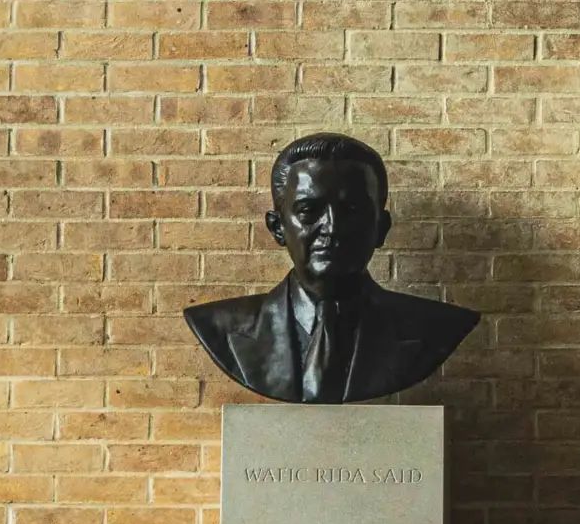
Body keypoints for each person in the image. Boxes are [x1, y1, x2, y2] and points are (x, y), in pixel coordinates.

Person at [183, 133, 480, 404]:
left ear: (381, 228)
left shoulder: (435, 327)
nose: (333, 228)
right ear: (277, 228)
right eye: (308, 211)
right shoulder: (218, 326)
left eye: (353, 210)